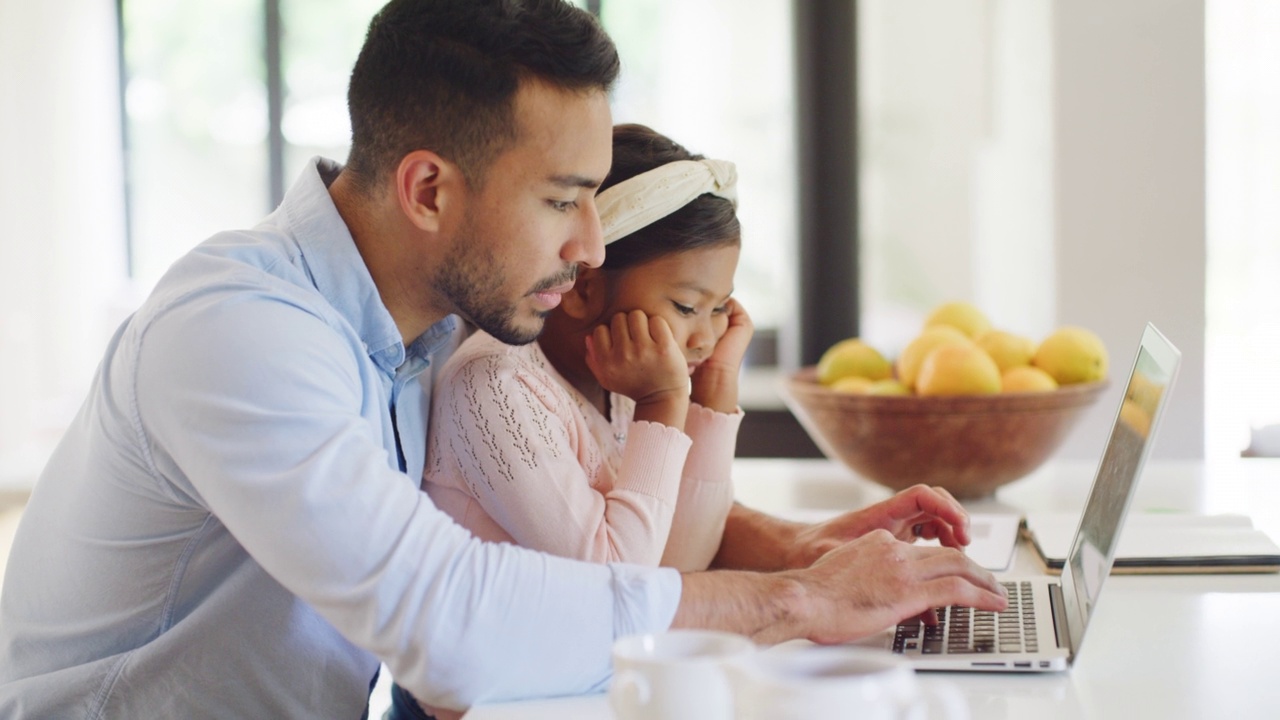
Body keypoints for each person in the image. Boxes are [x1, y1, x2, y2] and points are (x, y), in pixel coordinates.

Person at [0, 1, 1006, 718]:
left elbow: (568, 486)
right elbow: (447, 616)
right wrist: (799, 605)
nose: (591, 250)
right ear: (429, 191)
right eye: (563, 198)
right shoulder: (242, 333)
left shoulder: (429, 314)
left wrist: (787, 546)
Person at [423, 124, 746, 574]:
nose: (706, 339)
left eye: (722, 306)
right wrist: (663, 404)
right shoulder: (494, 388)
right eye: (687, 306)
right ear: (582, 289)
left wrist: (716, 385)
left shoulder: (620, 383)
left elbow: (681, 564)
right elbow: (619, 586)